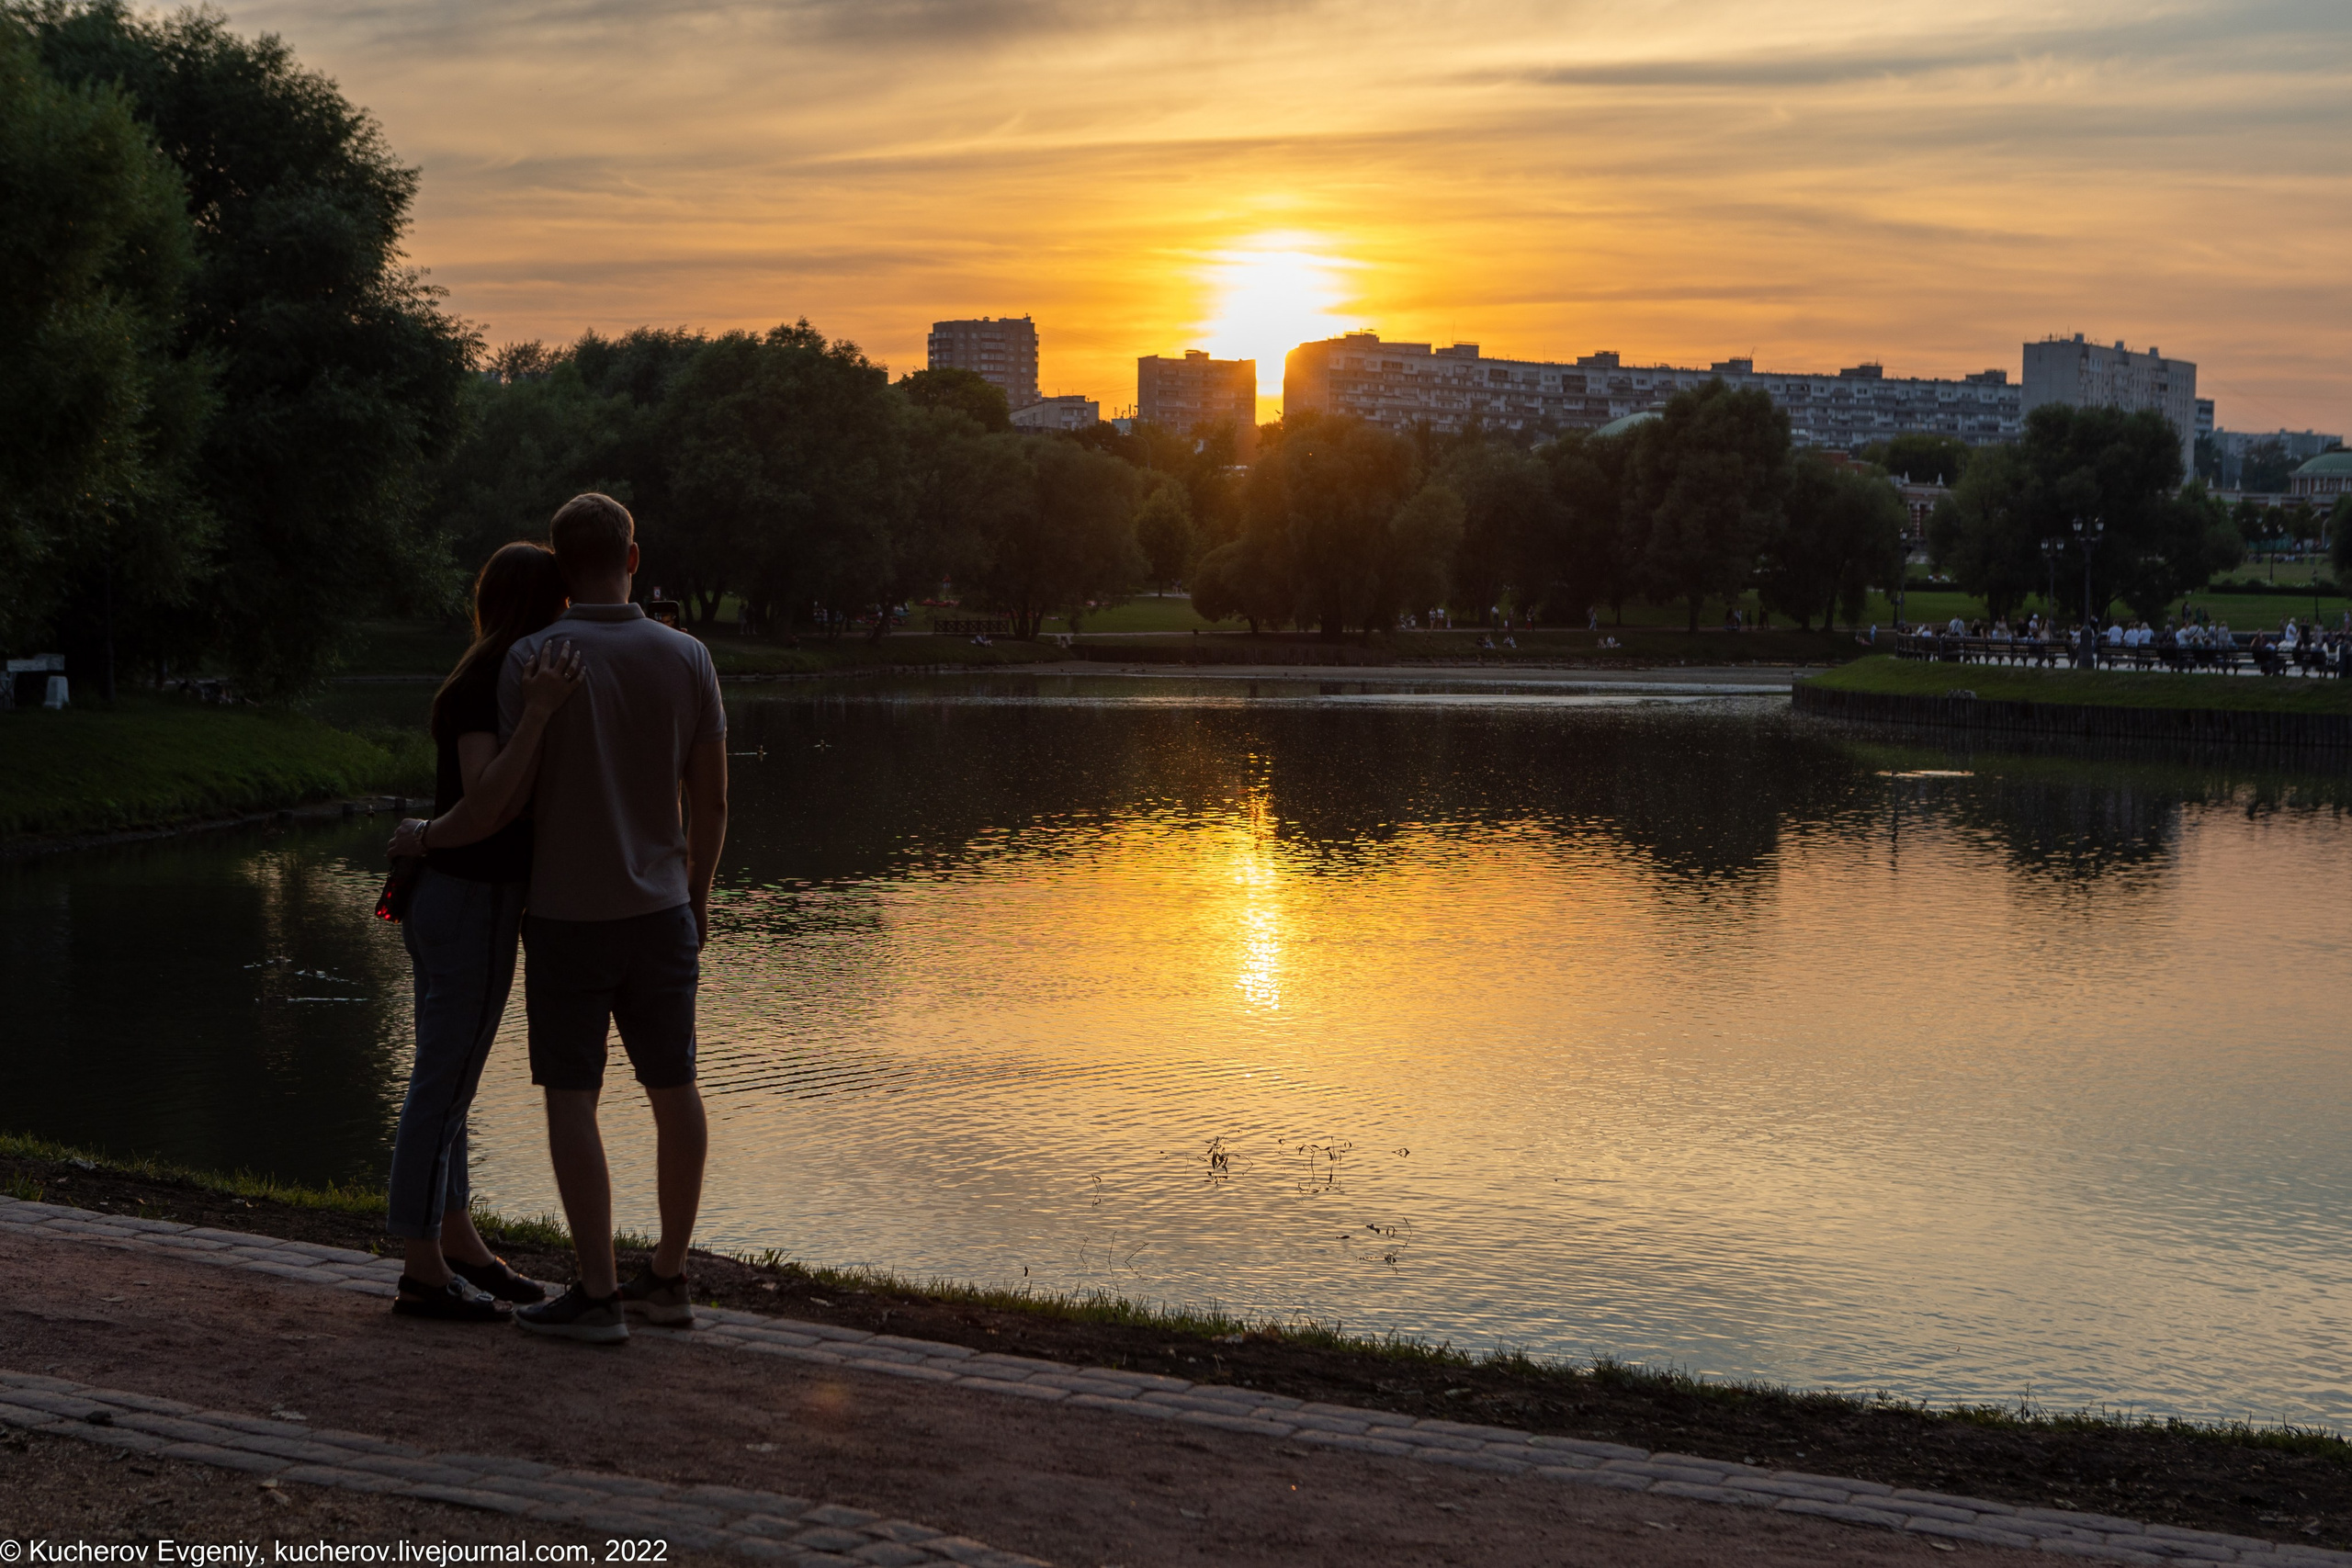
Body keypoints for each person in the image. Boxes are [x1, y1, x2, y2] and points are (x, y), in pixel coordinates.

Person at [505, 493, 729, 1345]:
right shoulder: (688, 656)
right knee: (675, 1090)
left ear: (562, 566)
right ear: (633, 558)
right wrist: (698, 893)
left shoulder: (531, 659)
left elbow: (511, 793)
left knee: (574, 1098)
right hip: (661, 910)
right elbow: (708, 797)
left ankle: (597, 1293)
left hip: (563, 914)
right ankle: (668, 1276)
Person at [383, 543, 585, 1322]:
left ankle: (457, 1236)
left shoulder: (481, 675)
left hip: (448, 902)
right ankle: (421, 1267)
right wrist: (536, 714)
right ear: (541, 606)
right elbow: (483, 803)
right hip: (469, 902)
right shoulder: (487, 689)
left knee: (450, 1078)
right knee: (441, 1085)